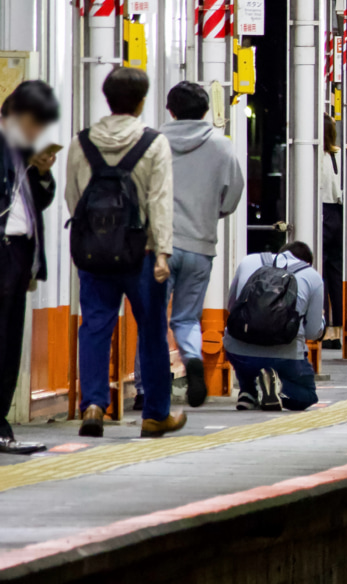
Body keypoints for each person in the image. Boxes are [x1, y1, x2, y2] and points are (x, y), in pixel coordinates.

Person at [65, 67, 186, 438]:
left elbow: (74, 198)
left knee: (96, 326)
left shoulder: (81, 143)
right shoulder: (153, 143)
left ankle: (94, 405)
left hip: (96, 255)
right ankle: (155, 414)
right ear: (141, 101)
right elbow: (160, 202)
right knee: (151, 330)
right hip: (144, 255)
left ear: (107, 99)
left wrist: (97, 237)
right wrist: (163, 253)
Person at [134, 82, 244, 409]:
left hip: (157, 247)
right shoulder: (222, 147)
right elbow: (233, 196)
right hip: (200, 245)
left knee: (151, 319)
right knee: (186, 319)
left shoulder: (153, 143)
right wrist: (211, 214)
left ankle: (146, 389)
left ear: (170, 109)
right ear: (206, 111)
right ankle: (192, 358)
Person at [0, 82, 59, 454]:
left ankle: (1, 419)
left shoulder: (21, 153)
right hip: (4, 249)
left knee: (9, 340)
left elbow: (38, 202)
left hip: (20, 254)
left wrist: (40, 173)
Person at [225, 241, 325, 412]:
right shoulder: (312, 276)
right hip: (285, 356)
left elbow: (232, 306)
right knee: (307, 395)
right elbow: (313, 332)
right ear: (307, 262)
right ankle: (273, 389)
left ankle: (248, 391)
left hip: (238, 351)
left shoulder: (248, 261)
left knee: (248, 353)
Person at [320, 114, 343, 351]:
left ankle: (323, 330)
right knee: (336, 274)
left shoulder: (314, 155)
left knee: (320, 272)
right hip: (338, 214)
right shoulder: (339, 155)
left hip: (321, 213)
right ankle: (337, 331)